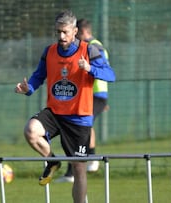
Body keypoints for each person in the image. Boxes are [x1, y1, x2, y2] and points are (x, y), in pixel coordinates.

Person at [14, 10, 115, 203]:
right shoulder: (49, 51)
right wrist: (28, 88)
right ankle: (53, 160)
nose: (61, 36)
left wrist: (89, 69)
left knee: (78, 168)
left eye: (65, 32)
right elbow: (38, 76)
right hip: (54, 112)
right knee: (31, 131)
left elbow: (111, 75)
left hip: (79, 117)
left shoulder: (89, 50)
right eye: (57, 32)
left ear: (75, 31)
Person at [56, 18, 111, 183]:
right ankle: (87, 161)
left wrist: (87, 67)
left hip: (94, 93)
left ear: (80, 32)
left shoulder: (93, 47)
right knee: (83, 126)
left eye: (74, 33)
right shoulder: (90, 46)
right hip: (91, 95)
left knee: (78, 127)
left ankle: (77, 169)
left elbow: (105, 71)